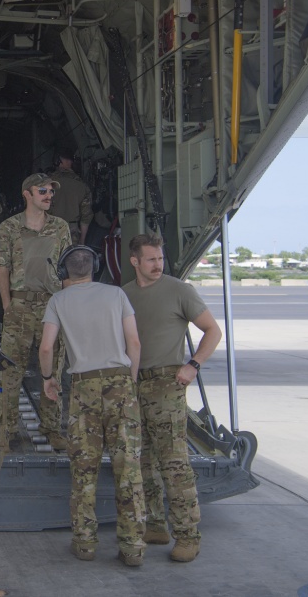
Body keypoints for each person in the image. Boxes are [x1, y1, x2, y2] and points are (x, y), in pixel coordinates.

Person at [38, 246, 146, 567]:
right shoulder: (116, 294)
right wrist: (130, 381)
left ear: (64, 272)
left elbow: (47, 347)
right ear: (95, 267)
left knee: (84, 469)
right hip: (120, 384)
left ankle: (84, 543)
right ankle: (133, 548)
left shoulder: (58, 301)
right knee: (128, 467)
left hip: (84, 386)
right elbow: (134, 343)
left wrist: (48, 379)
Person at [123, 233, 221, 563]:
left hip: (168, 383)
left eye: (160, 258)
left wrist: (194, 364)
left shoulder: (178, 290)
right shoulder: (124, 295)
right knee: (143, 461)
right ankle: (155, 524)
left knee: (174, 463)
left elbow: (213, 330)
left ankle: (188, 535)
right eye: (150, 259)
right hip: (136, 385)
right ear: (135, 261)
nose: (158, 264)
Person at [0, 173, 71, 451]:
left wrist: (67, 305)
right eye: (42, 191)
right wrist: (7, 305)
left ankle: (51, 428)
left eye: (50, 191)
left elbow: (66, 269)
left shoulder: (60, 227)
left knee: (53, 372)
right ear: (27, 194)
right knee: (10, 371)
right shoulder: (10, 227)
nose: (49, 195)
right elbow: (3, 268)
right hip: (20, 306)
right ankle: (5, 430)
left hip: (52, 306)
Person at [49, 152, 94, 246]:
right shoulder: (81, 185)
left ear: (57, 162)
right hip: (72, 231)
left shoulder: (47, 184)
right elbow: (86, 215)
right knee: (71, 258)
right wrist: (82, 240)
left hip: (50, 230)